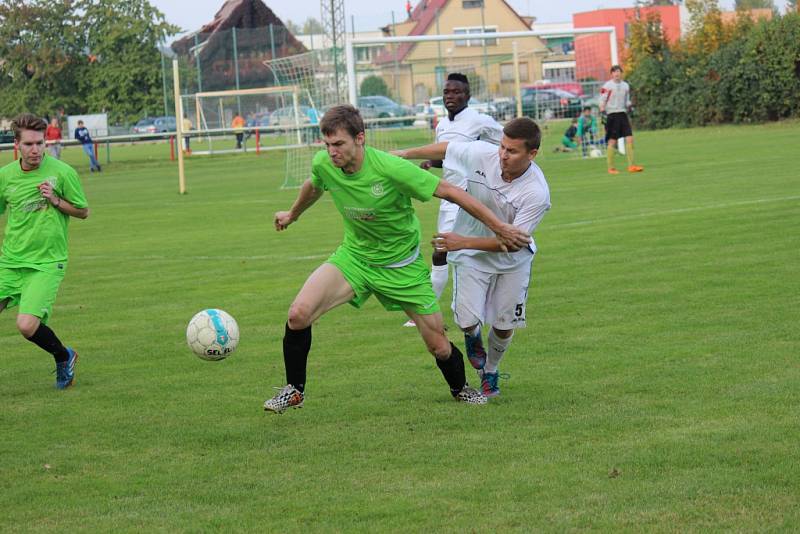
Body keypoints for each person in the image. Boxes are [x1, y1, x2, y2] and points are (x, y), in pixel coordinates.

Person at [263, 105, 531, 413]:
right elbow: (314, 185)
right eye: (327, 145)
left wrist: (499, 227)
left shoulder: (390, 168)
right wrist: (292, 214)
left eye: (338, 144)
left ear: (360, 139)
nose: (331, 152)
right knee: (298, 313)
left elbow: (451, 191)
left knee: (438, 346)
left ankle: (461, 388)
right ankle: (294, 390)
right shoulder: (325, 163)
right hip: (356, 258)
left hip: (402, 267)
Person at [392, 117, 550, 398]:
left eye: (512, 151)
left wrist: (461, 241)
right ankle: (473, 337)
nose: (502, 155)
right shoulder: (482, 154)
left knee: (504, 326)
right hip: (471, 257)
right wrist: (405, 154)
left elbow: (513, 244)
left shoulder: (536, 193)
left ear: (532, 154)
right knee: (466, 321)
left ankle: (490, 371)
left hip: (512, 262)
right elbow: (448, 149)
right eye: (502, 146)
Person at [404, 72, 503, 328]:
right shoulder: (442, 126)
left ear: (468, 95)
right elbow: (447, 156)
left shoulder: (480, 121)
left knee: (444, 251)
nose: (451, 96)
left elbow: (507, 145)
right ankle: (461, 307)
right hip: (448, 197)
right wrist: (429, 163)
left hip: (472, 198)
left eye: (457, 92)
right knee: (449, 252)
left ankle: (428, 312)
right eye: (447, 92)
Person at [0, 113, 90, 389]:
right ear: (16, 144)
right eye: (28, 144)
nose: (36, 149)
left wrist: (55, 200)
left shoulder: (63, 172)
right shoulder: (4, 176)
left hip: (47, 262)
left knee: (26, 325)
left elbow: (83, 211)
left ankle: (64, 356)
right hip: (11, 261)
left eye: (40, 143)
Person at [599, 65, 644, 175]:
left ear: (621, 73)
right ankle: (611, 168)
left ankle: (632, 165)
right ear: (612, 74)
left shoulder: (625, 86)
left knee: (629, 138)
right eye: (614, 72)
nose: (617, 74)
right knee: (612, 141)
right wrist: (602, 110)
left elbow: (626, 100)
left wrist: (630, 107)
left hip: (623, 114)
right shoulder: (607, 86)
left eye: (618, 72)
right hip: (612, 115)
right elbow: (602, 99)